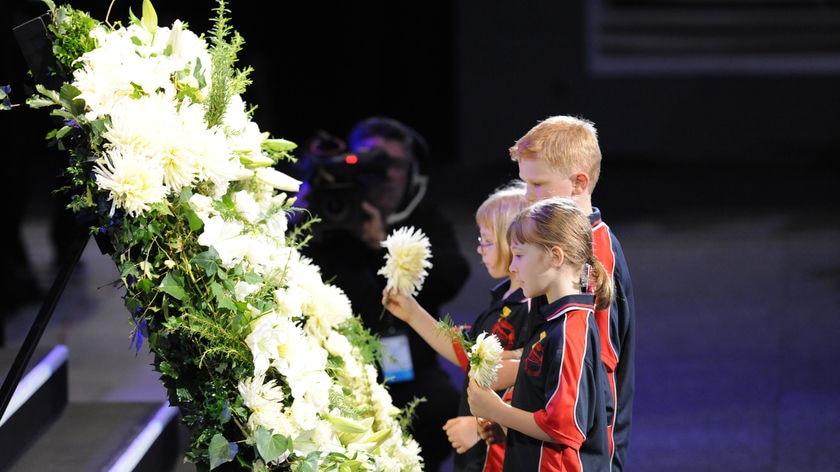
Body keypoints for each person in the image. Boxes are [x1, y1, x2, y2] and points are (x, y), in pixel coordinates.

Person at [296, 116, 471, 472]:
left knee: (440, 407)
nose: (387, 175)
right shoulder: (327, 211)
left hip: (408, 366)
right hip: (331, 367)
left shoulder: (421, 217)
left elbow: (453, 275)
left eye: (397, 165)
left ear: (412, 172)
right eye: (376, 165)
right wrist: (304, 208)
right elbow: (288, 266)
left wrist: (382, 246)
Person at [506, 115, 636, 471]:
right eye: (524, 184)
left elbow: (596, 370)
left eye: (537, 184)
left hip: (580, 449)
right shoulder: (549, 245)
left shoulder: (596, 251)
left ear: (578, 182)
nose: (526, 198)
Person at [382, 179, 532, 472]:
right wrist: (412, 313)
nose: (479, 249)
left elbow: (532, 385)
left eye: (486, 241)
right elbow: (467, 354)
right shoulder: (504, 298)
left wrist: (480, 425)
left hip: (500, 454)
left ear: (512, 245)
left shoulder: (530, 308)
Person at [467, 197, 614, 471]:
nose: (512, 267)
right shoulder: (552, 320)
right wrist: (507, 427)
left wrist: (497, 410)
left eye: (520, 255)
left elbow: (564, 426)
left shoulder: (572, 329)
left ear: (555, 257)